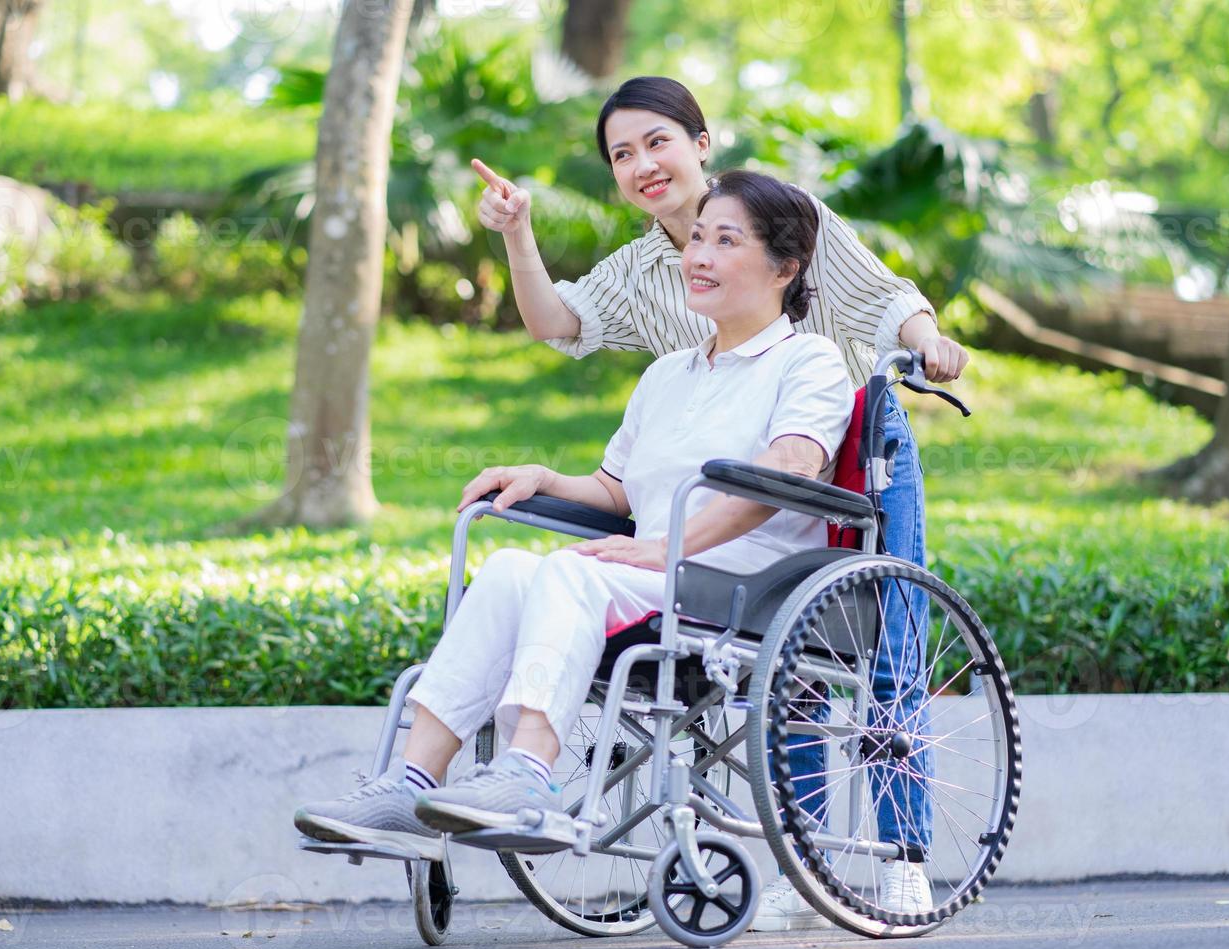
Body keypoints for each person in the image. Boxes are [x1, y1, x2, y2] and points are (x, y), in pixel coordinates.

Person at [295, 170, 874, 902]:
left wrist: (669, 547)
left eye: (726, 241)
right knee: (508, 566)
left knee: (570, 570)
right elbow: (619, 491)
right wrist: (546, 477)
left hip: (741, 587)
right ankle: (408, 786)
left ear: (785, 268)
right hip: (650, 575)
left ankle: (528, 778)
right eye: (698, 236)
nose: (700, 255)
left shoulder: (809, 361)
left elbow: (788, 469)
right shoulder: (668, 374)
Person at [469, 76, 951, 924]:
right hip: (725, 493)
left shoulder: (775, 211)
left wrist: (929, 343)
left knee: (883, 653)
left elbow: (880, 296)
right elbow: (556, 321)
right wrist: (519, 235)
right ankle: (803, 860)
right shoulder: (639, 268)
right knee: (782, 671)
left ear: (699, 141)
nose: (643, 164)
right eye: (622, 154)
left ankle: (901, 853)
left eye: (658, 141)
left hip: (843, 445)